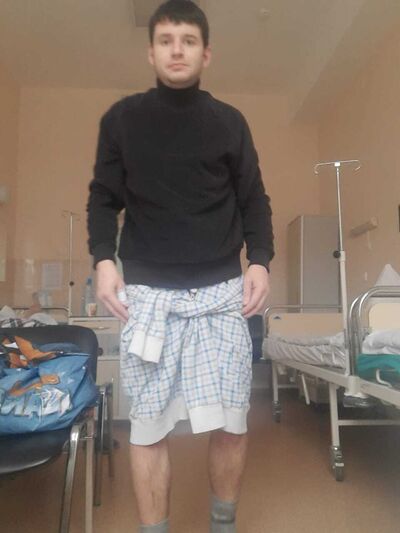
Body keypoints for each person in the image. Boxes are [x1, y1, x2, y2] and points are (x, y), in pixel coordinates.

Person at [87, 1, 274, 531]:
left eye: (188, 40)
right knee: (147, 428)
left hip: (222, 292)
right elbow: (103, 198)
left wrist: (260, 261)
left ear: (205, 53)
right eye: (166, 40)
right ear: (151, 52)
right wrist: (103, 259)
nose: (176, 50)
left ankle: (222, 525)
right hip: (149, 296)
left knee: (232, 423)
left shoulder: (229, 122)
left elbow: (253, 199)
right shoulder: (121, 120)